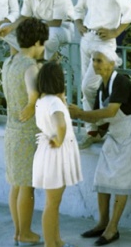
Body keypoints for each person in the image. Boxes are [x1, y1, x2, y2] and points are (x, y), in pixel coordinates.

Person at [68, 47, 131, 246]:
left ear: (112, 63)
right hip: (116, 134)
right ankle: (102, 223)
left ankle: (112, 228)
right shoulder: (102, 88)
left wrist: (79, 114)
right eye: (93, 60)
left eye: (99, 60)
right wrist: (94, 135)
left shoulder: (120, 82)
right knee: (102, 175)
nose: (95, 64)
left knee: (121, 180)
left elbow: (111, 112)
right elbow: (102, 121)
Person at [73, 0, 131, 148]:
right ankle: (92, 131)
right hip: (87, 39)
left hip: (104, 44)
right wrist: (79, 24)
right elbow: (77, 10)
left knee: (88, 86)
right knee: (86, 87)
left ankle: (101, 124)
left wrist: (115, 32)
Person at [2, 17, 49, 246]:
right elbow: (33, 94)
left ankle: (18, 231)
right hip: (28, 133)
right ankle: (26, 232)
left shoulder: (9, 62)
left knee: (16, 184)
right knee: (27, 186)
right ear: (37, 42)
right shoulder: (30, 66)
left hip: (11, 130)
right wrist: (33, 104)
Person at [32, 61, 82, 247]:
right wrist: (60, 140)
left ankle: (57, 241)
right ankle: (50, 244)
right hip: (56, 155)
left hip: (49, 153)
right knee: (52, 204)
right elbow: (60, 124)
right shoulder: (53, 102)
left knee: (54, 203)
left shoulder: (43, 100)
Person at [0, 0, 74, 61]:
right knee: (5, 28)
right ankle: (33, 56)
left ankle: (43, 62)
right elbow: (24, 17)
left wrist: (33, 30)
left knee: (50, 35)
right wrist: (11, 27)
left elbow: (56, 22)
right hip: (40, 28)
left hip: (63, 28)